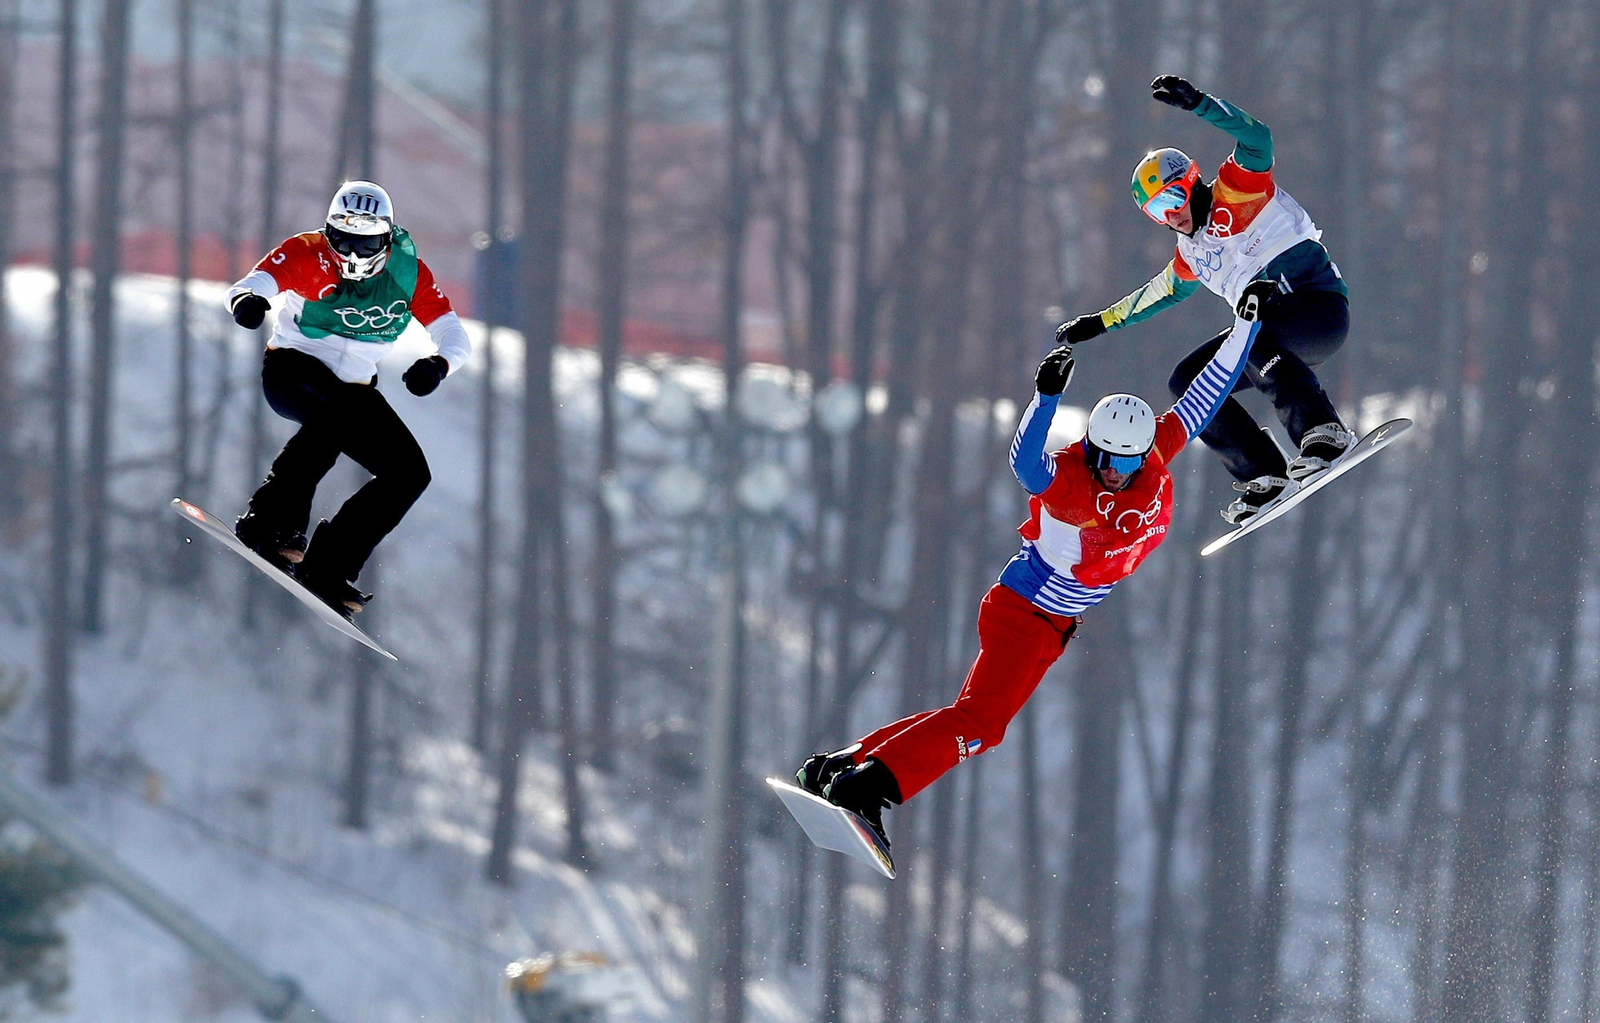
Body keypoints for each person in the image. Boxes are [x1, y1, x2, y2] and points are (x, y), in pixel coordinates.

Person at [793, 283, 1275, 846]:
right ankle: (866, 789)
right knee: (981, 725)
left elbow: (1207, 393)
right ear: (1091, 445)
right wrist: (1044, 400)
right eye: (1106, 457)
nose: (1114, 471)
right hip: (1025, 613)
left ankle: (841, 768)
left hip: (1051, 625)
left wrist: (1246, 326)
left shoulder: (1153, 455)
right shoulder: (1069, 480)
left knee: (970, 714)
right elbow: (1025, 462)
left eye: (1127, 462)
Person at [1058, 75, 1353, 524]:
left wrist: (1199, 103)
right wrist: (1099, 323)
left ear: (1192, 182)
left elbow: (1258, 139)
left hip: (1316, 311)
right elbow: (1156, 294)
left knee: (1250, 333)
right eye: (1157, 212)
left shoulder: (1237, 189)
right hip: (1270, 340)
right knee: (1188, 382)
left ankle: (1323, 431)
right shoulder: (1191, 254)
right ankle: (1263, 471)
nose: (1172, 215)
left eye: (1174, 198)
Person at [226, 181, 471, 618]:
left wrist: (438, 365)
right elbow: (251, 284)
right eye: (344, 241)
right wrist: (248, 302)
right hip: (292, 370)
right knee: (335, 414)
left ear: (387, 239)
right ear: (328, 234)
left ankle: (328, 568)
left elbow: (455, 335)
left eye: (367, 243)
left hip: (353, 390)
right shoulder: (307, 252)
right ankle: (270, 522)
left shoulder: (407, 273)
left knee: (409, 473)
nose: (355, 254)